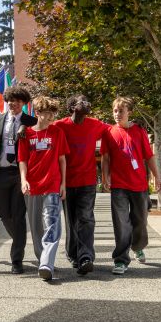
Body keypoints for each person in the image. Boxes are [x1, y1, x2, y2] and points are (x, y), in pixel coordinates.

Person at [102, 97, 161, 275]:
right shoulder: (109, 132)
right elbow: (105, 158)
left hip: (139, 185)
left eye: (121, 111)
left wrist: (157, 177)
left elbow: (148, 156)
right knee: (121, 223)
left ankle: (138, 246)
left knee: (140, 221)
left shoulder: (139, 131)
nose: (117, 114)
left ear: (129, 112)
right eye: (115, 111)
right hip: (119, 185)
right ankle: (121, 259)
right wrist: (105, 176)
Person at [53, 95, 109, 275]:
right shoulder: (60, 126)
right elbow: (41, 129)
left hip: (87, 182)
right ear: (72, 108)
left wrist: (133, 123)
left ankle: (85, 257)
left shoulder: (95, 124)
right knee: (71, 220)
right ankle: (73, 253)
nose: (87, 104)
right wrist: (24, 127)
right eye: (81, 102)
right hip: (66, 182)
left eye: (87, 100)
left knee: (85, 219)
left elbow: (115, 130)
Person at [18, 96, 69, 281]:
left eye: (52, 113)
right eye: (46, 113)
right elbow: (22, 160)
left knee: (52, 223)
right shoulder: (26, 134)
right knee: (36, 225)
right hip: (32, 186)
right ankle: (43, 260)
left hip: (52, 185)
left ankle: (47, 262)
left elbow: (62, 160)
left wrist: (63, 183)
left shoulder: (57, 132)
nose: (50, 117)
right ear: (37, 113)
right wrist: (23, 180)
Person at [0, 86, 38, 274]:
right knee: (3, 213)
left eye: (17, 101)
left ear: (23, 103)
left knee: (18, 215)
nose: (13, 104)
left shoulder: (31, 121)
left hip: (21, 173)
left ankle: (16, 259)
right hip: (1, 172)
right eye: (10, 100)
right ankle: (19, 239)